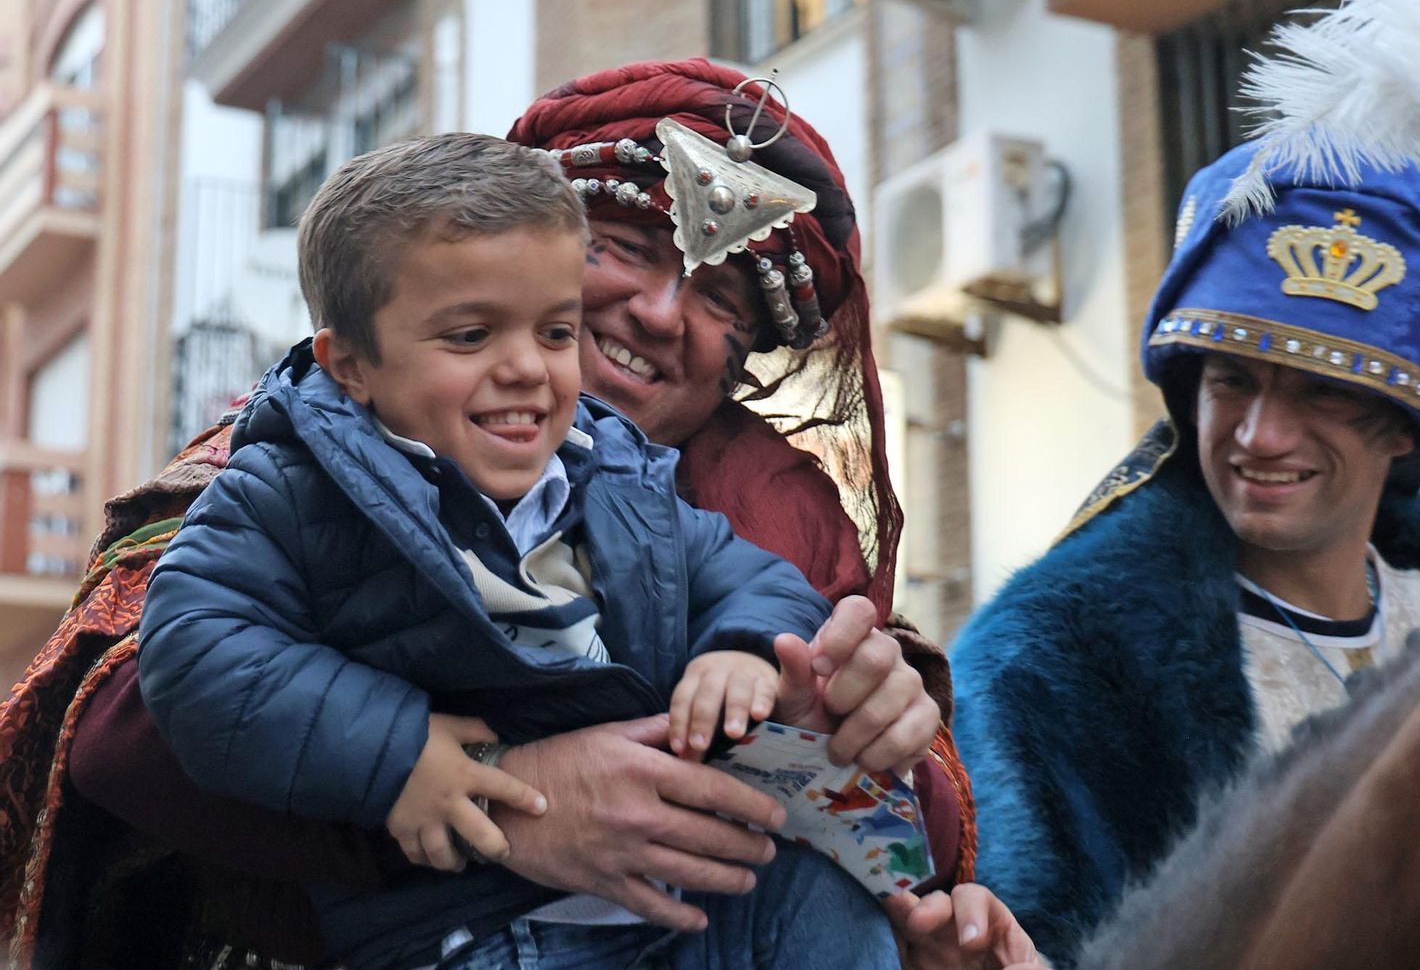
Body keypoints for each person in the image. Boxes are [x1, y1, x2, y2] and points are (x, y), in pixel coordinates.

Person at [0, 60, 1003, 970]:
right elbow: (119, 721)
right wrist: (507, 795)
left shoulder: (779, 522)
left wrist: (864, 723)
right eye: (622, 246)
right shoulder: (297, 458)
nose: (662, 311)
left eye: (723, 299)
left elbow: (913, 834)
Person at [949, 142, 1420, 966]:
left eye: (1321, 387)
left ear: (1405, 422)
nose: (1260, 435)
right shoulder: (1052, 668)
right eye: (1232, 380)